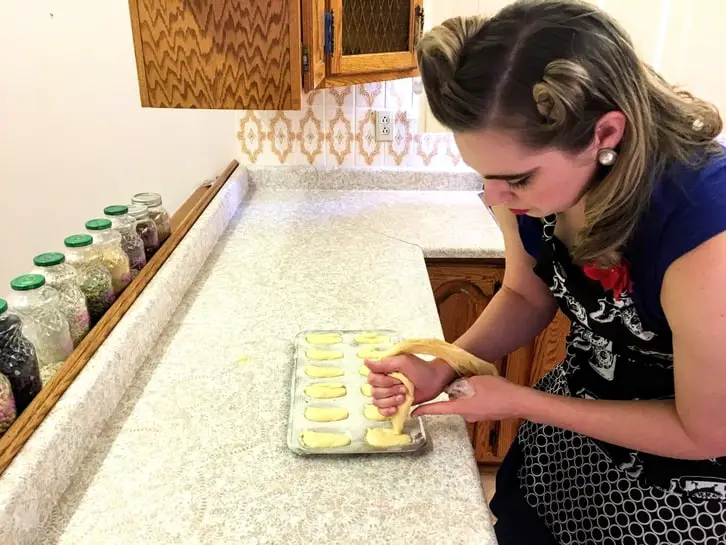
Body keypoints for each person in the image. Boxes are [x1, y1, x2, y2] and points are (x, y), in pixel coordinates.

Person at [365, 1, 726, 543]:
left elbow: (705, 432)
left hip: (683, 492)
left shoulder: (705, 226)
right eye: (484, 176)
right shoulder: (525, 193)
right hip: (567, 441)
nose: (494, 198)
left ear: (605, 134)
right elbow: (526, 293)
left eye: (517, 179)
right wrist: (446, 365)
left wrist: (519, 400)